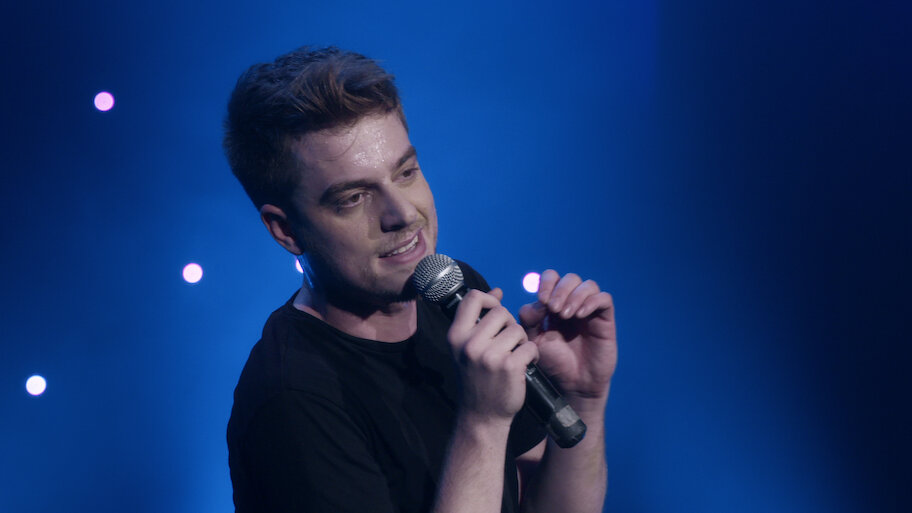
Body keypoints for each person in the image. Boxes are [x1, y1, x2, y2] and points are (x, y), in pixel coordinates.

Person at [223, 46, 618, 513]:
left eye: (406, 172)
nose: (403, 214)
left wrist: (584, 397)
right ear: (286, 230)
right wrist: (483, 422)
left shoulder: (454, 292)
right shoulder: (291, 400)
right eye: (353, 198)